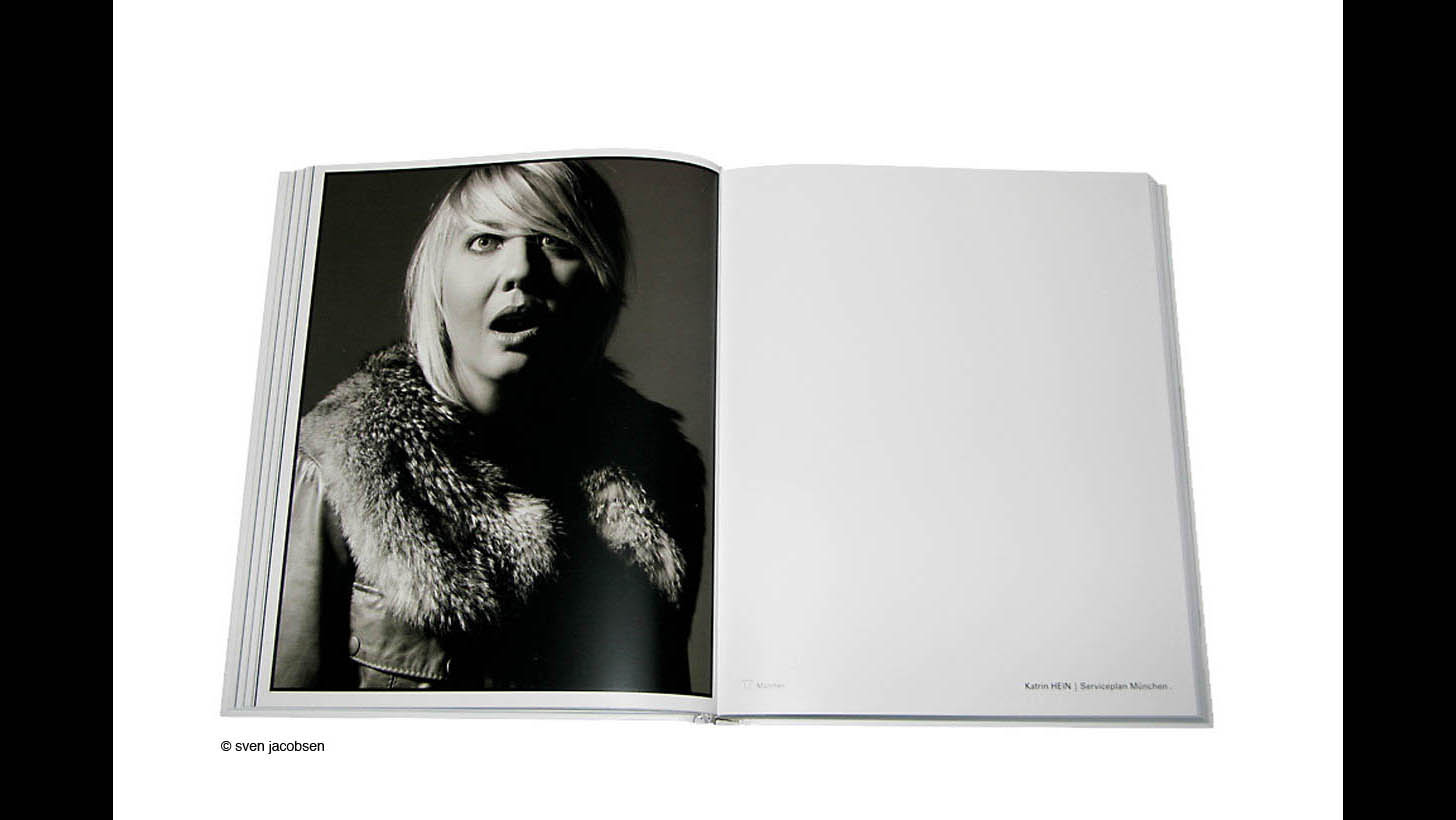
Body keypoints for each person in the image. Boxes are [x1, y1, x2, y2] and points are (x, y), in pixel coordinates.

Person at [272, 160, 705, 693]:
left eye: (556, 241)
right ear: (437, 282)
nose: (521, 268)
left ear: (601, 285)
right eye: (485, 241)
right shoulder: (337, 463)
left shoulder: (660, 475)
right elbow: (285, 712)